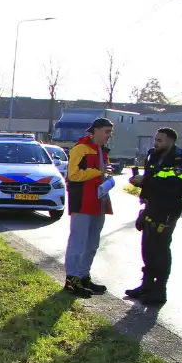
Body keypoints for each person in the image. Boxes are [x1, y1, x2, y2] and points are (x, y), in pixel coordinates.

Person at [125, 127, 182, 305]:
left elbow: (175, 185)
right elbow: (151, 178)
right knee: (148, 248)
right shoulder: (153, 154)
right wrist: (140, 184)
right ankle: (146, 285)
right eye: (156, 139)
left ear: (171, 141)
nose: (156, 143)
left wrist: (145, 181)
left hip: (168, 210)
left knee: (160, 249)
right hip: (151, 207)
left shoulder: (180, 159)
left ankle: (159, 291)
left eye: (160, 140)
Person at [64, 118, 114, 298]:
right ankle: (72, 280)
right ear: (96, 130)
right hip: (82, 202)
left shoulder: (101, 150)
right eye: (107, 132)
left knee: (92, 243)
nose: (109, 136)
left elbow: (99, 173)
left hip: (99, 201)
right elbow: (73, 175)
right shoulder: (80, 149)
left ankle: (84, 276)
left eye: (110, 132)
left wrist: (107, 176)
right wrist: (98, 172)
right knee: (78, 242)